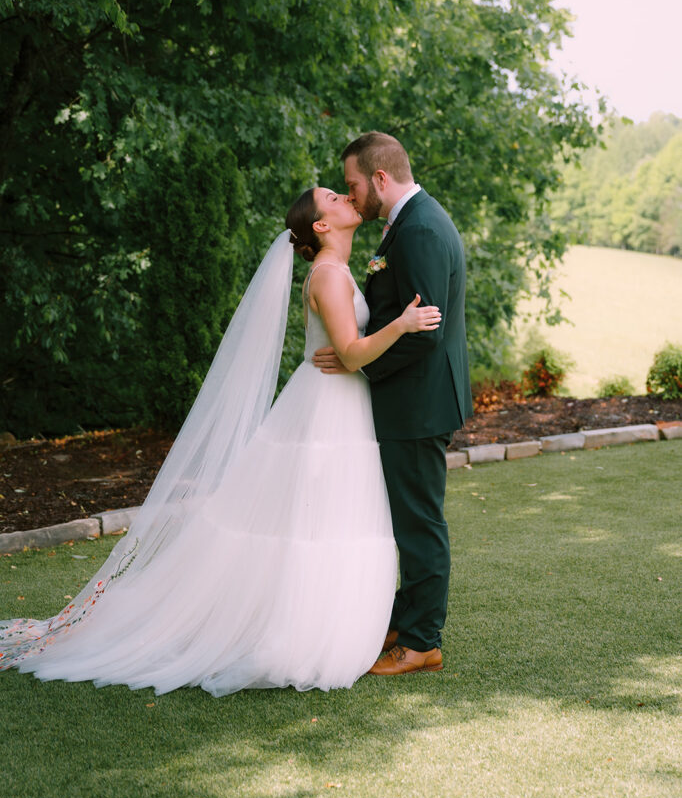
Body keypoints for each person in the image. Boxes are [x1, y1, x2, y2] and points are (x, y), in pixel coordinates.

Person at [0, 187, 441, 696]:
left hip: (337, 404)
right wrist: (405, 324)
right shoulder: (327, 275)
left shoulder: (338, 271)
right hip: (327, 409)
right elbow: (350, 351)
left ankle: (336, 623)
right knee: (317, 520)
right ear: (321, 225)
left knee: (326, 518)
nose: (345, 197)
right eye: (333, 197)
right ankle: (308, 633)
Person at [314, 133, 473, 676]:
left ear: (380, 179)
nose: (351, 196)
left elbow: (425, 330)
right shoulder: (409, 222)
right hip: (413, 399)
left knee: (419, 524)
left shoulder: (421, 228)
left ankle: (423, 641)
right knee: (406, 519)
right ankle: (406, 621)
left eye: (354, 185)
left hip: (418, 402)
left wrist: (360, 362)